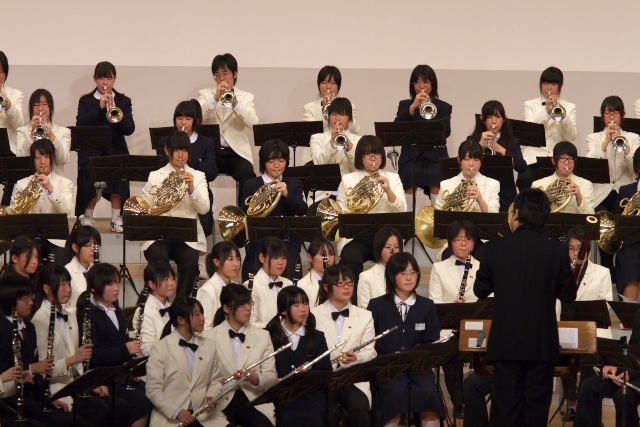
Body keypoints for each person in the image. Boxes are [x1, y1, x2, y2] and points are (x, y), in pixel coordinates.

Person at [474, 188, 576, 426]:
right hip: (541, 345)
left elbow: (480, 290)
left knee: (504, 413)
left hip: (505, 344)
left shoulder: (495, 248)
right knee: (535, 414)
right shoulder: (556, 251)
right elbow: (568, 295)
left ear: (517, 213)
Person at [32, 264, 129, 426]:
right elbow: (43, 369)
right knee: (99, 409)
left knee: (119, 406)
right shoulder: (40, 319)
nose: (68, 289)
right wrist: (74, 359)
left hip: (75, 385)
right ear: (47, 289)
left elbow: (79, 366)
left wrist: (91, 384)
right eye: (62, 285)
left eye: (69, 284)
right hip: (57, 389)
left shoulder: (69, 315)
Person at [367, 252, 443, 427]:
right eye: (403, 273)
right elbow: (371, 342)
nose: (409, 278)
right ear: (392, 276)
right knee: (394, 395)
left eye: (413, 273)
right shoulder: (377, 306)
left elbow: (432, 341)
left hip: (419, 368)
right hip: (388, 369)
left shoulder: (426, 306)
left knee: (428, 395)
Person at [77, 263, 151, 427]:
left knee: (150, 391)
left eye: (117, 282)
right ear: (94, 288)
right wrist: (124, 350)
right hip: (101, 376)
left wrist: (131, 369)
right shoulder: (88, 314)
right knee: (138, 400)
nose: (116, 288)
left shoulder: (116, 310)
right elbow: (93, 355)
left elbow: (120, 342)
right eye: (110, 284)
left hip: (119, 373)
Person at [0, 274, 77, 426]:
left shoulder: (29, 327)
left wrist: (48, 398)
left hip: (31, 395)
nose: (31, 302)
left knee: (71, 418)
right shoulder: (2, 329)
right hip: (9, 400)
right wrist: (30, 369)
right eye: (25, 299)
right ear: (10, 301)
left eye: (32, 297)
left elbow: (35, 373)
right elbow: (5, 371)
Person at [141, 132, 210, 299]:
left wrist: (192, 189)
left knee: (191, 264)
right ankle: (159, 301)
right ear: (167, 151)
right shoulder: (155, 176)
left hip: (186, 237)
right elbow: (145, 207)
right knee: (158, 259)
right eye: (177, 150)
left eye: (185, 150)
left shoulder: (198, 176)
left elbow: (204, 209)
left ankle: (180, 304)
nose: (181, 155)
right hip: (159, 235)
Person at [337, 135, 407, 288]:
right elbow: (341, 212)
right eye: (368, 154)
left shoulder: (393, 178)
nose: (373, 157)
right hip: (357, 237)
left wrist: (388, 190)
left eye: (376, 153)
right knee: (350, 258)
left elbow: (402, 209)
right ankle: (352, 298)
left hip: (387, 238)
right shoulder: (348, 179)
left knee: (395, 261)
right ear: (360, 157)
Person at [560, 226, 613, 420]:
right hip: (567, 329)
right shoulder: (561, 272)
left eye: (580, 249)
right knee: (564, 351)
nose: (576, 253)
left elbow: (606, 308)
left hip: (592, 330)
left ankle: (587, 407)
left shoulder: (602, 272)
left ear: (588, 250)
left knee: (589, 355)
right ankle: (571, 403)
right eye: (571, 248)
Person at [204, 284, 277, 426]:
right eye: (242, 305)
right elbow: (204, 378)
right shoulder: (208, 338)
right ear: (226, 308)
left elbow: (271, 377)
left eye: (249, 303)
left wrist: (255, 378)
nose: (248, 308)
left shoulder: (263, 336)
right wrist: (210, 396)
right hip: (220, 401)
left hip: (253, 399)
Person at [76, 61, 135, 232]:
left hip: (115, 150)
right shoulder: (86, 101)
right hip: (91, 152)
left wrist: (116, 109)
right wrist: (99, 107)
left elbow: (129, 129)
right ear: (95, 79)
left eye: (108, 78)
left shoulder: (123, 101)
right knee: (90, 174)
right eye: (101, 78)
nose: (105, 83)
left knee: (118, 169)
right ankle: (87, 216)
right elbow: (80, 124)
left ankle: (116, 218)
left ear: (114, 79)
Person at [313, 264, 374, 427]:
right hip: (324, 379)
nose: (347, 288)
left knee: (359, 410)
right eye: (340, 284)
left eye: (349, 283)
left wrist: (357, 357)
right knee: (326, 413)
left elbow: (370, 352)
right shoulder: (314, 315)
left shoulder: (365, 316)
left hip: (353, 378)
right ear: (327, 287)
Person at [239, 138, 307, 280]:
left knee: (290, 260)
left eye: (281, 161)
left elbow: (302, 210)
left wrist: (287, 194)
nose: (276, 166)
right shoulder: (251, 185)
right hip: (259, 241)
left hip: (287, 240)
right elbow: (245, 213)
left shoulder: (294, 184)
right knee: (255, 258)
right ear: (264, 163)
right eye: (271, 161)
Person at [146, 297, 218, 427]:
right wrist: (177, 412)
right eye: (197, 315)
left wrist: (212, 395)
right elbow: (153, 390)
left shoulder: (210, 346)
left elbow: (216, 379)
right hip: (171, 418)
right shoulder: (160, 349)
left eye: (202, 313)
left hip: (203, 416)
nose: (203, 318)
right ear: (181, 320)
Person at [265, 286, 331, 427]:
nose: (303, 309)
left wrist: (309, 374)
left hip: (311, 394)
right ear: (283, 310)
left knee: (314, 416)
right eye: (296, 305)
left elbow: (326, 372)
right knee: (288, 418)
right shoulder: (269, 336)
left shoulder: (317, 337)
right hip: (282, 395)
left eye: (305, 304)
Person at [156, 99, 218, 238]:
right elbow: (161, 168)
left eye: (188, 119)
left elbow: (211, 173)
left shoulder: (206, 142)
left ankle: (199, 244)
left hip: (197, 188)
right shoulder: (165, 142)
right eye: (179, 118)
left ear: (195, 121)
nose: (183, 123)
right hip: (169, 190)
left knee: (203, 221)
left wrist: (189, 157)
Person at [197, 53, 258, 193]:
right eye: (217, 75)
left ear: (235, 74)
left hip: (236, 152)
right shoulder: (205, 94)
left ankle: (244, 207)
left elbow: (254, 123)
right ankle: (205, 206)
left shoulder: (247, 97)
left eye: (225, 74)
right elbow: (197, 117)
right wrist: (215, 98)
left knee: (248, 176)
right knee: (199, 175)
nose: (221, 79)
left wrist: (236, 104)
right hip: (211, 152)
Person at [573, 307, 640, 427]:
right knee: (590, 385)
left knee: (623, 395)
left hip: (635, 375)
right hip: (633, 371)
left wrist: (632, 373)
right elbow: (634, 351)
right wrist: (615, 365)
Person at [394, 64, 452, 203]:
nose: (421, 86)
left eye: (426, 82)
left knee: (436, 179)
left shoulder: (443, 107)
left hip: (434, 157)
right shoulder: (405, 105)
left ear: (433, 84)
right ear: (413, 85)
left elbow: (446, 132)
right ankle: (409, 215)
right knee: (408, 177)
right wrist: (413, 107)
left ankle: (437, 214)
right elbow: (396, 127)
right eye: (417, 82)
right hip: (411, 156)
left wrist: (430, 113)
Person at [11, 139, 74, 264]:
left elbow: (67, 210)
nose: (42, 161)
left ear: (52, 159)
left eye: (46, 157)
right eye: (38, 157)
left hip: (55, 240)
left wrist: (51, 189)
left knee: (59, 259)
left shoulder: (65, 183)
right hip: (28, 239)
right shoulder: (21, 184)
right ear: (33, 160)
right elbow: (14, 213)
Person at [519, 66, 577, 190]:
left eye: (553, 84)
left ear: (560, 86)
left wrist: (563, 117)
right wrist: (546, 112)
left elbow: (571, 136)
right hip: (533, 159)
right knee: (524, 179)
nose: (549, 88)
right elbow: (529, 132)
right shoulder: (530, 105)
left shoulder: (569, 106)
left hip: (557, 160)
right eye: (545, 83)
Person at [469, 100, 527, 211]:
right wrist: (479, 145)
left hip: (505, 193)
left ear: (503, 120)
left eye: (498, 117)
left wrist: (500, 149)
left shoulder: (512, 141)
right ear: (483, 120)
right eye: (490, 117)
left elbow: (521, 166)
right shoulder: (472, 140)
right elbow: (463, 162)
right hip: (479, 190)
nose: (494, 121)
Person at [585, 95, 640, 210]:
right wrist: (605, 142)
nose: (611, 117)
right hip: (602, 194)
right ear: (602, 115)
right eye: (608, 113)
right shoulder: (593, 138)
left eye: (615, 113)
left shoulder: (633, 138)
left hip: (626, 193)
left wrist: (626, 148)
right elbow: (590, 166)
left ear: (622, 115)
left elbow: (635, 170)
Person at [16, 89, 71, 175]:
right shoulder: (22, 131)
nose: (40, 108)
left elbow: (62, 160)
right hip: (30, 179)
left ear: (50, 107)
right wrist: (32, 134)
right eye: (36, 105)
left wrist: (51, 134)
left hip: (54, 180)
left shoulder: (64, 132)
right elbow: (21, 159)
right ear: (31, 108)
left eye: (44, 104)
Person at [435, 140, 500, 213]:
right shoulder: (445, 184)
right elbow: (438, 215)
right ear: (459, 159)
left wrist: (480, 200)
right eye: (467, 159)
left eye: (476, 160)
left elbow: (494, 215)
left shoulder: (493, 184)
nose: (471, 164)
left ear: (481, 160)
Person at [532, 141, 595, 214]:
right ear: (553, 160)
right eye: (562, 158)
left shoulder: (586, 184)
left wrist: (579, 197)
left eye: (570, 158)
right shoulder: (537, 184)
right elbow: (533, 214)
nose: (567, 163)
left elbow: (591, 216)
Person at [244, 236, 293, 329]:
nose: (280, 262)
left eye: (284, 258)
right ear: (262, 258)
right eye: (275, 258)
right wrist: (277, 325)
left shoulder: (289, 284)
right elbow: (249, 324)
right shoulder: (251, 286)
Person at [132, 263, 177, 356]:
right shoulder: (145, 311)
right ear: (151, 284)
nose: (171, 283)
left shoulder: (172, 307)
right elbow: (147, 349)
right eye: (165, 279)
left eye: (173, 279)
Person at [309, 96, 361, 175]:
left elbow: (360, 168)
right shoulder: (316, 138)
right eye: (333, 114)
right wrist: (332, 143)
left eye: (342, 114)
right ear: (329, 116)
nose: (337, 118)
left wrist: (348, 146)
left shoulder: (359, 140)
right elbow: (318, 165)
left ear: (350, 118)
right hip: (326, 182)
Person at [614, 148, 640, 300]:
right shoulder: (626, 191)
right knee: (630, 259)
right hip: (631, 244)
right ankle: (628, 310)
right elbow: (617, 222)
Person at [197, 241, 242, 329]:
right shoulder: (206, 291)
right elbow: (202, 329)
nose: (236, 264)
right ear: (216, 262)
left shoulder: (238, 288)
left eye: (238, 259)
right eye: (230, 259)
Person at [303, 65, 360, 134]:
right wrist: (325, 113)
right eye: (324, 82)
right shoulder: (309, 108)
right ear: (319, 85)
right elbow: (310, 132)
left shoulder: (349, 106)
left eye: (333, 83)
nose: (328, 86)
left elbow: (355, 130)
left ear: (338, 86)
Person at [356, 227, 403, 310]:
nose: (392, 252)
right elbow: (364, 311)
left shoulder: (405, 274)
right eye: (388, 247)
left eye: (396, 247)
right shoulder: (366, 277)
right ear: (379, 249)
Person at [64, 225, 101, 311]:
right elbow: (63, 307)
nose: (93, 249)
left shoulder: (99, 269)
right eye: (88, 245)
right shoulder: (66, 272)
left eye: (96, 245)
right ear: (75, 248)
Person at [297, 237, 335, 308]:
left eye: (331, 254)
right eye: (322, 254)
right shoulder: (302, 285)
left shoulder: (338, 281)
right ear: (310, 257)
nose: (328, 259)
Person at [0, 50, 24, 158]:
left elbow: (19, 125)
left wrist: (7, 103)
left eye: (0, 71)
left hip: (8, 153)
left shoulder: (16, 94)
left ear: (5, 74)